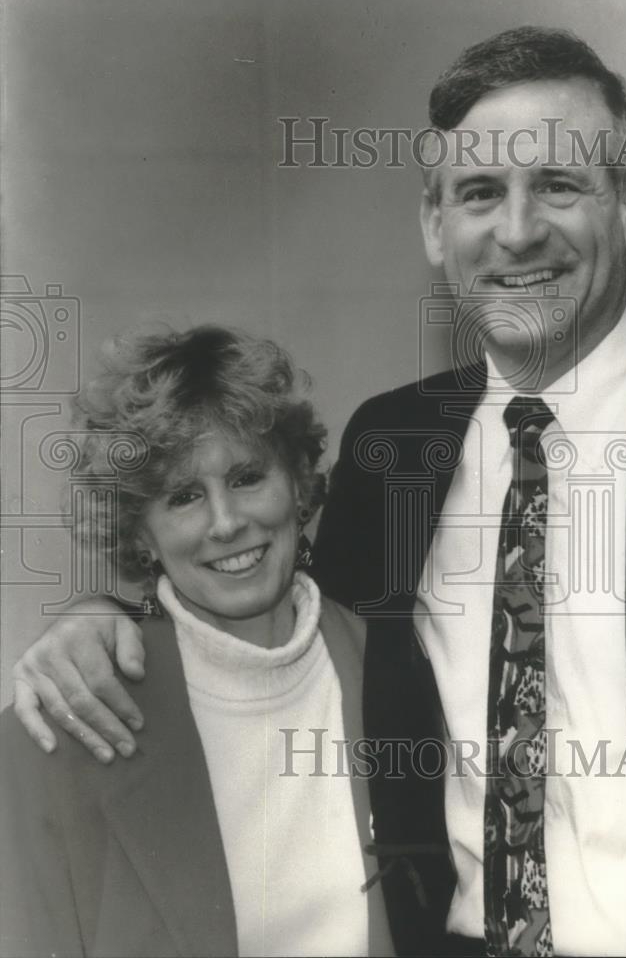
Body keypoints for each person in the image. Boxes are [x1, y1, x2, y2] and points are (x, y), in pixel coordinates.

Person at [9, 27, 626, 957]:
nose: (517, 231)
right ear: (436, 227)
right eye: (479, 193)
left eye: (559, 184)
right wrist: (100, 615)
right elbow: (276, 599)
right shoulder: (396, 442)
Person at [0, 325, 405, 958]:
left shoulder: (400, 670)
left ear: (299, 485)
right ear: (139, 532)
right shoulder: (61, 722)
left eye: (247, 477)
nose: (226, 523)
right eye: (184, 496)